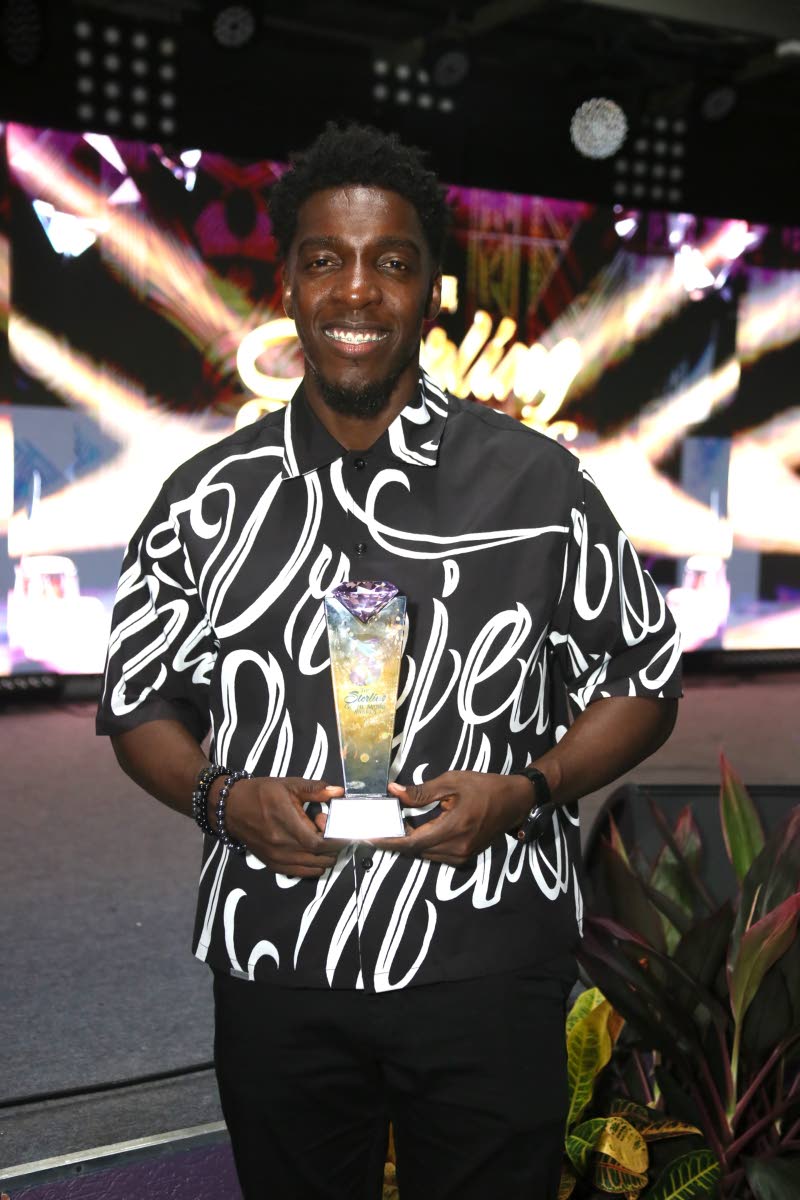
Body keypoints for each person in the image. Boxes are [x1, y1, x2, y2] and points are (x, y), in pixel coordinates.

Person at [97, 122, 682, 1200]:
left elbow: (644, 680)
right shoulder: (205, 501)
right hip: (276, 949)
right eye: (325, 259)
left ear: (429, 289)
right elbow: (140, 706)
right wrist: (224, 800)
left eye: (390, 262)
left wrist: (527, 788)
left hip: (488, 951)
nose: (355, 292)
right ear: (288, 284)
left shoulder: (536, 487)